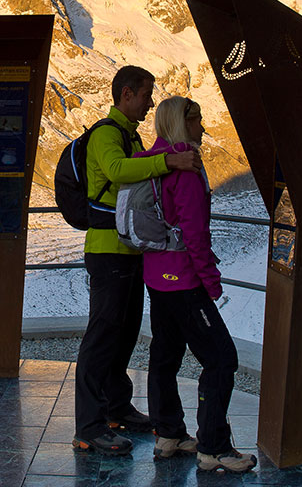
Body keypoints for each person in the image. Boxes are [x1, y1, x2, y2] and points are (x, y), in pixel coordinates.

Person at [73, 66, 201, 455]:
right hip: (107, 250)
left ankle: (116, 409)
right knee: (102, 335)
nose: (149, 104)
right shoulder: (107, 135)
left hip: (129, 249)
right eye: (146, 95)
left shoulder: (129, 135)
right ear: (126, 94)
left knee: (125, 332)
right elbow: (117, 171)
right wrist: (168, 163)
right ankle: (89, 426)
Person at [140, 96, 257, 472]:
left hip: (157, 277)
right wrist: (211, 282)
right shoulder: (186, 170)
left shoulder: (150, 161)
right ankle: (214, 448)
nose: (203, 128)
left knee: (165, 356)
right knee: (221, 360)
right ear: (182, 123)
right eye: (197, 121)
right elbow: (195, 233)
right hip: (185, 281)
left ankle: (169, 433)